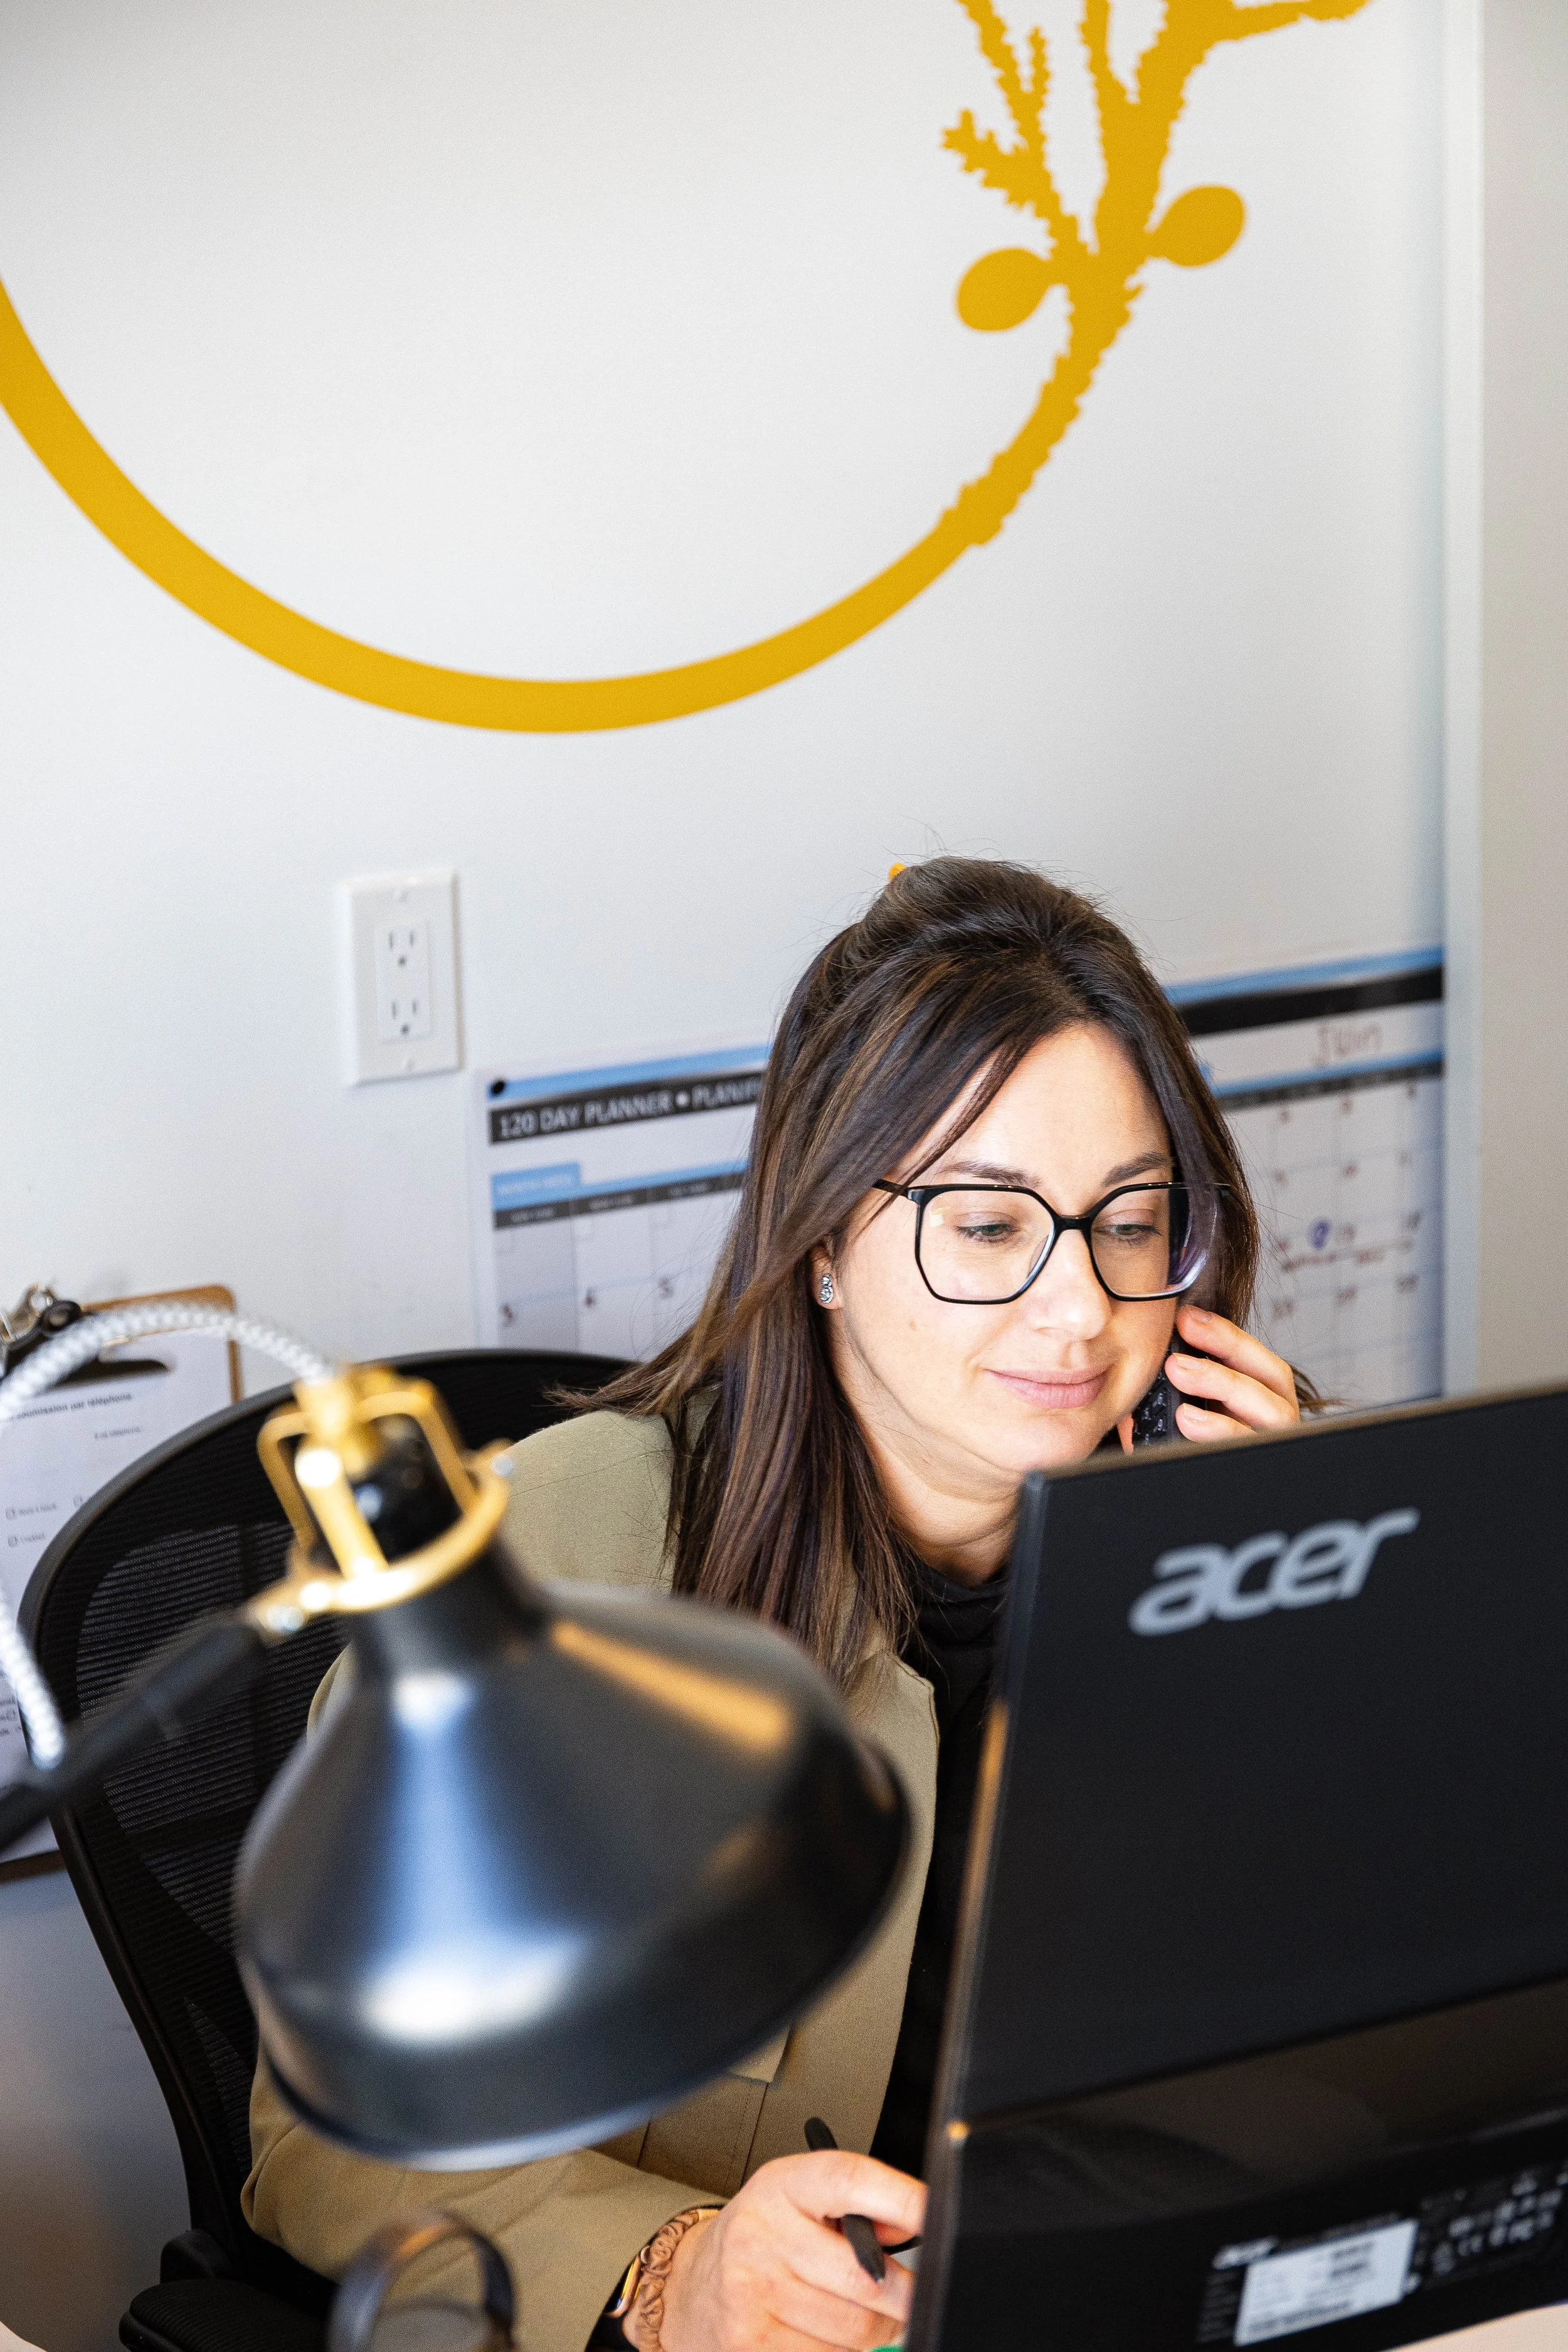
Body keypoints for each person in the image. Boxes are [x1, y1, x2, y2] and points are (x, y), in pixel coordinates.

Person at [244, 859, 1302, 2352]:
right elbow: (328, 2146)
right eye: (987, 1227)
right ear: (819, 1242)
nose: (1079, 1311)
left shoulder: (1259, 1519)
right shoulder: (547, 1568)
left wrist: (1312, 1629)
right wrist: (679, 2268)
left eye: (1129, 1221)